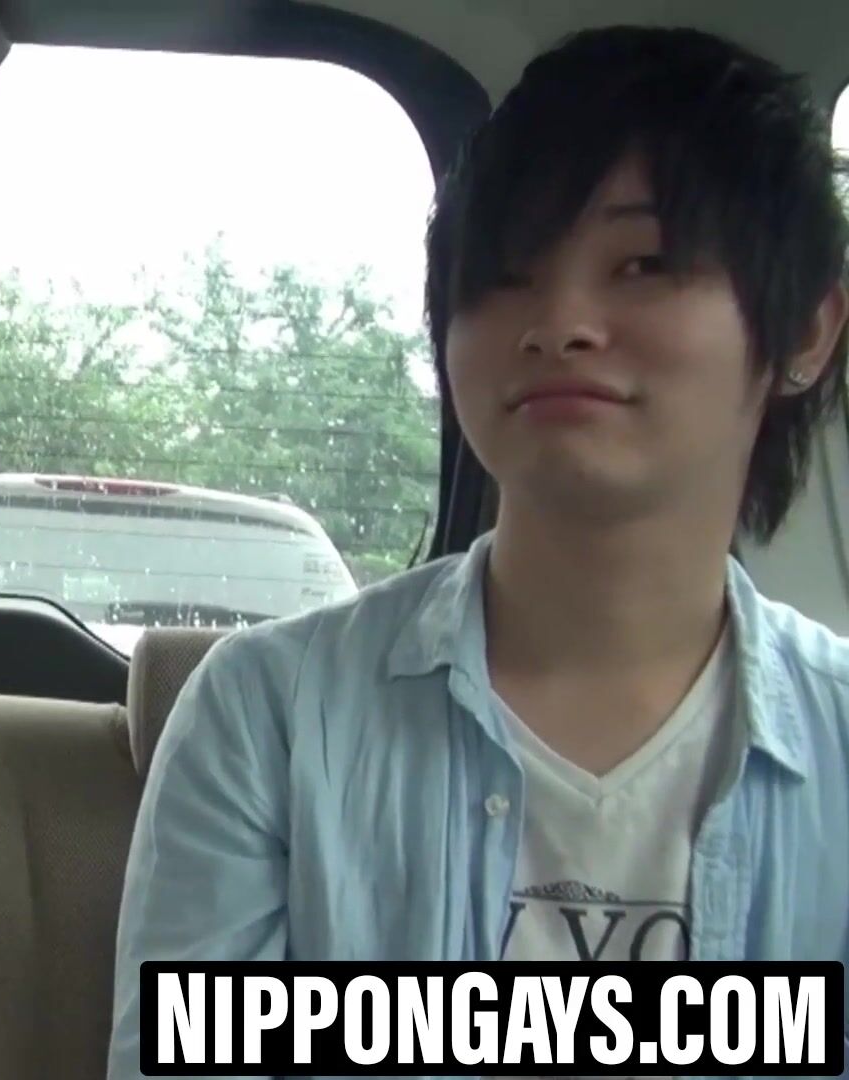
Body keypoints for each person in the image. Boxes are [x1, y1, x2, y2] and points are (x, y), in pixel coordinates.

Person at [109, 25, 849, 1076]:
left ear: (807, 330)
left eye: (642, 264)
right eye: (503, 275)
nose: (559, 322)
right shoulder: (270, 717)